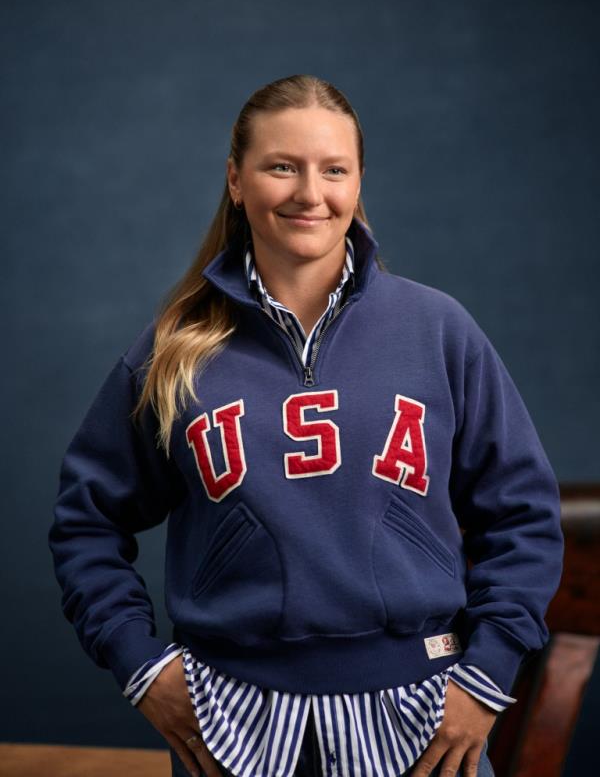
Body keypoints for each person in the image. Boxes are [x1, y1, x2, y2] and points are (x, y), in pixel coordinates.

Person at [49, 74, 564, 777]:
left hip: (423, 715)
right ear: (236, 179)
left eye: (333, 170)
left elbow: (525, 516)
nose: (309, 193)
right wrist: (142, 665)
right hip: (232, 723)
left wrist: (487, 674)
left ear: (357, 183)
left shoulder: (439, 330)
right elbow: (85, 521)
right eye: (281, 166)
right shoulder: (172, 349)